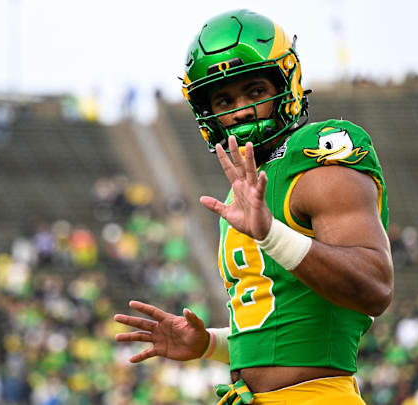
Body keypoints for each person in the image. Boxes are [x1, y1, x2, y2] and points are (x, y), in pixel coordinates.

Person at [114, 9, 393, 404]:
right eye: (224, 99)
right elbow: (281, 328)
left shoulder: (316, 154)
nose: (241, 110)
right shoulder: (243, 189)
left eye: (255, 91)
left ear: (287, 81)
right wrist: (208, 343)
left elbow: (375, 286)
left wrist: (271, 233)